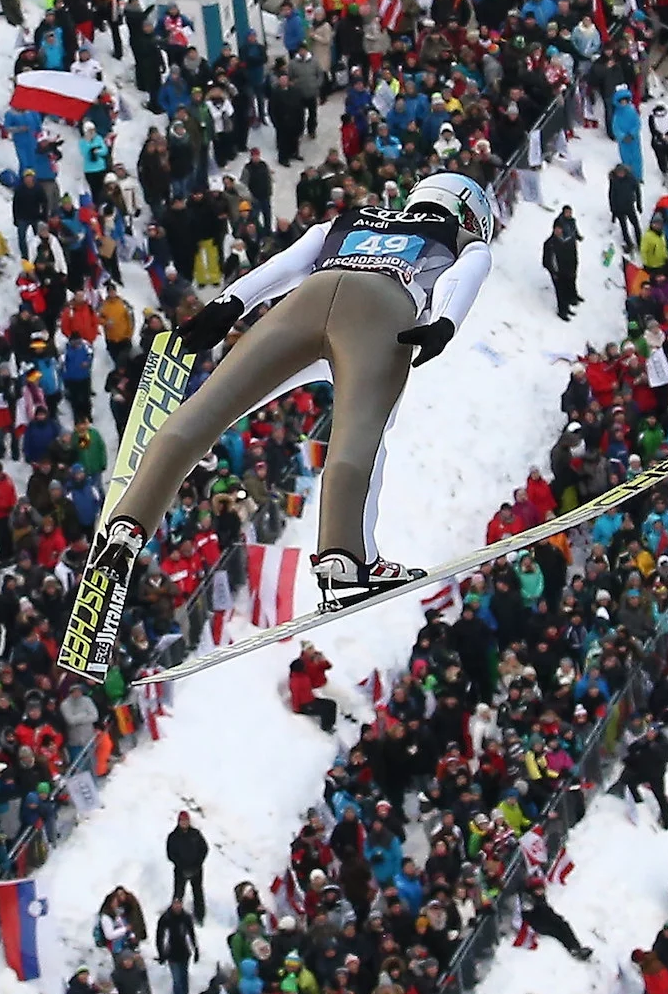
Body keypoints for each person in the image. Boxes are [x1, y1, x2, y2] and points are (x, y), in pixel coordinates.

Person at [84, 174, 497, 643]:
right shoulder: (463, 239)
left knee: (207, 410)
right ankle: (345, 558)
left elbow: (285, 265)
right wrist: (444, 323)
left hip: (304, 304)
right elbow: (466, 274)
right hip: (382, 312)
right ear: (468, 213)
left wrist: (227, 304)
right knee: (359, 438)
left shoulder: (348, 220)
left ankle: (128, 521)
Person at [165, 810, 208, 922]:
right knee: (178, 893)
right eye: (182, 821)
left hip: (196, 869)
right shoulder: (173, 836)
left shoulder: (196, 834)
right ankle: (175, 915)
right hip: (180, 870)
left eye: (186, 820)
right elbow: (170, 854)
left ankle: (200, 916)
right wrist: (181, 865)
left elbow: (204, 849)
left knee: (198, 892)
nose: (184, 823)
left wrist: (197, 864)